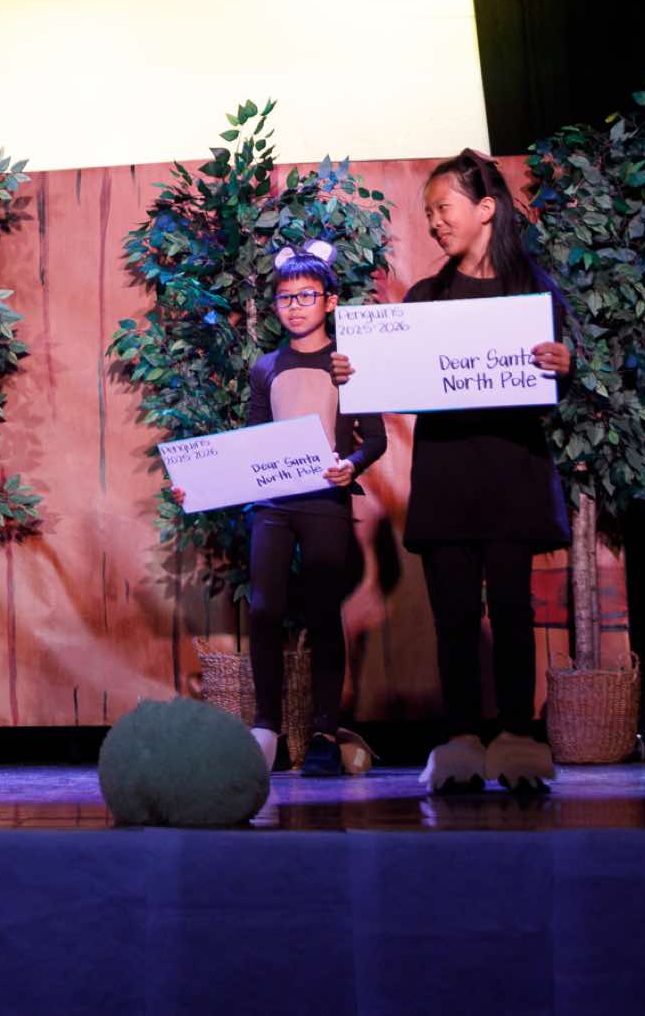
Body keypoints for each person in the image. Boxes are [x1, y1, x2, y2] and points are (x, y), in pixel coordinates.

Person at [333, 151, 572, 794]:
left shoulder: (534, 293)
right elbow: (395, 377)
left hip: (511, 472)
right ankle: (461, 739)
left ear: (486, 208)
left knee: (513, 613)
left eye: (444, 208)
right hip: (445, 476)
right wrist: (356, 373)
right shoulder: (424, 298)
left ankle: (517, 738)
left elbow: (552, 388)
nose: (435, 222)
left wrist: (562, 366)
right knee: (454, 617)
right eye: (429, 212)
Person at [175, 240, 386, 776]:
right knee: (265, 610)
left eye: (306, 296)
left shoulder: (348, 366)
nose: (294, 306)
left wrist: (352, 466)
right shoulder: (265, 368)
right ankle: (266, 727)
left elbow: (375, 439)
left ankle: (323, 730)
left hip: (325, 503)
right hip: (272, 505)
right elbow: (249, 446)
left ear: (330, 301)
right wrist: (198, 486)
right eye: (285, 298)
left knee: (323, 613)